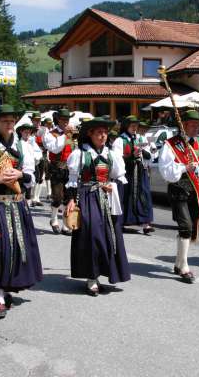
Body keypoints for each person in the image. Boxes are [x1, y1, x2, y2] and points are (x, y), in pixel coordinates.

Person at [0, 104, 43, 319]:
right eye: (5, 120)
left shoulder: (24, 147)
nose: (9, 124)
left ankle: (8, 286)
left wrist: (19, 175)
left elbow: (32, 177)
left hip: (16, 203)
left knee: (15, 247)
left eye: (12, 121)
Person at [65, 117, 131, 296]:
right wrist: (71, 200)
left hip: (108, 198)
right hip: (87, 197)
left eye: (104, 132)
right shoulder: (80, 154)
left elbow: (120, 177)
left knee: (110, 236)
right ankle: (91, 278)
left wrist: (112, 186)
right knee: (92, 236)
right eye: (99, 133)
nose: (103, 136)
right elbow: (72, 180)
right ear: (90, 134)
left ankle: (107, 272)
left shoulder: (112, 154)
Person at [158, 109, 199, 284]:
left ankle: (177, 262)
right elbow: (165, 171)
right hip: (178, 189)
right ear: (183, 126)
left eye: (198, 125)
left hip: (195, 191)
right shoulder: (170, 145)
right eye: (192, 125)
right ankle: (184, 267)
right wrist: (184, 167)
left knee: (189, 228)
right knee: (186, 227)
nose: (196, 128)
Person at [112, 115, 154, 234]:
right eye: (132, 125)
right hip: (127, 174)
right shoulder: (120, 140)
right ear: (126, 126)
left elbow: (150, 156)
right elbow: (116, 160)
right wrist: (132, 156)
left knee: (144, 195)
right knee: (125, 197)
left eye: (136, 125)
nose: (135, 128)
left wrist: (144, 152)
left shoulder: (141, 138)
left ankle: (146, 224)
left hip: (140, 172)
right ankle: (122, 222)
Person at [43, 108, 76, 234]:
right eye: (63, 119)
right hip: (56, 168)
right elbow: (55, 149)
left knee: (69, 198)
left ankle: (65, 224)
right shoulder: (50, 134)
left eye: (67, 119)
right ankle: (53, 219)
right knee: (57, 197)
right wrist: (65, 135)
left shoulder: (72, 134)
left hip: (70, 168)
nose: (66, 122)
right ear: (58, 120)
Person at [16, 121, 43, 207]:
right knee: (20, 193)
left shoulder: (31, 144)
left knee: (28, 195)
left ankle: (26, 211)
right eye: (25, 132)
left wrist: (36, 159)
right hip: (21, 173)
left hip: (30, 172)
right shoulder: (18, 144)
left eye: (29, 132)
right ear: (21, 132)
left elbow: (38, 155)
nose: (27, 134)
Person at [30, 111, 47, 207]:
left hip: (43, 155)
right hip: (32, 156)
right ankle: (32, 197)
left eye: (39, 120)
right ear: (32, 120)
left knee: (41, 177)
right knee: (34, 176)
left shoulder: (44, 130)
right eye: (36, 120)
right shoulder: (28, 129)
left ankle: (37, 197)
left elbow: (47, 143)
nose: (37, 122)